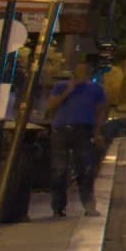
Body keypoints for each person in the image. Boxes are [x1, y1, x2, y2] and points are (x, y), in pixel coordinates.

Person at [48, 70, 105, 215]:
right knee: (59, 170)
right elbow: (51, 106)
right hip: (61, 130)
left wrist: (97, 132)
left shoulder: (96, 89)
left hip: (83, 130)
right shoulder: (61, 86)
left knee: (86, 169)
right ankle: (58, 207)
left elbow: (100, 111)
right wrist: (68, 90)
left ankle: (89, 206)